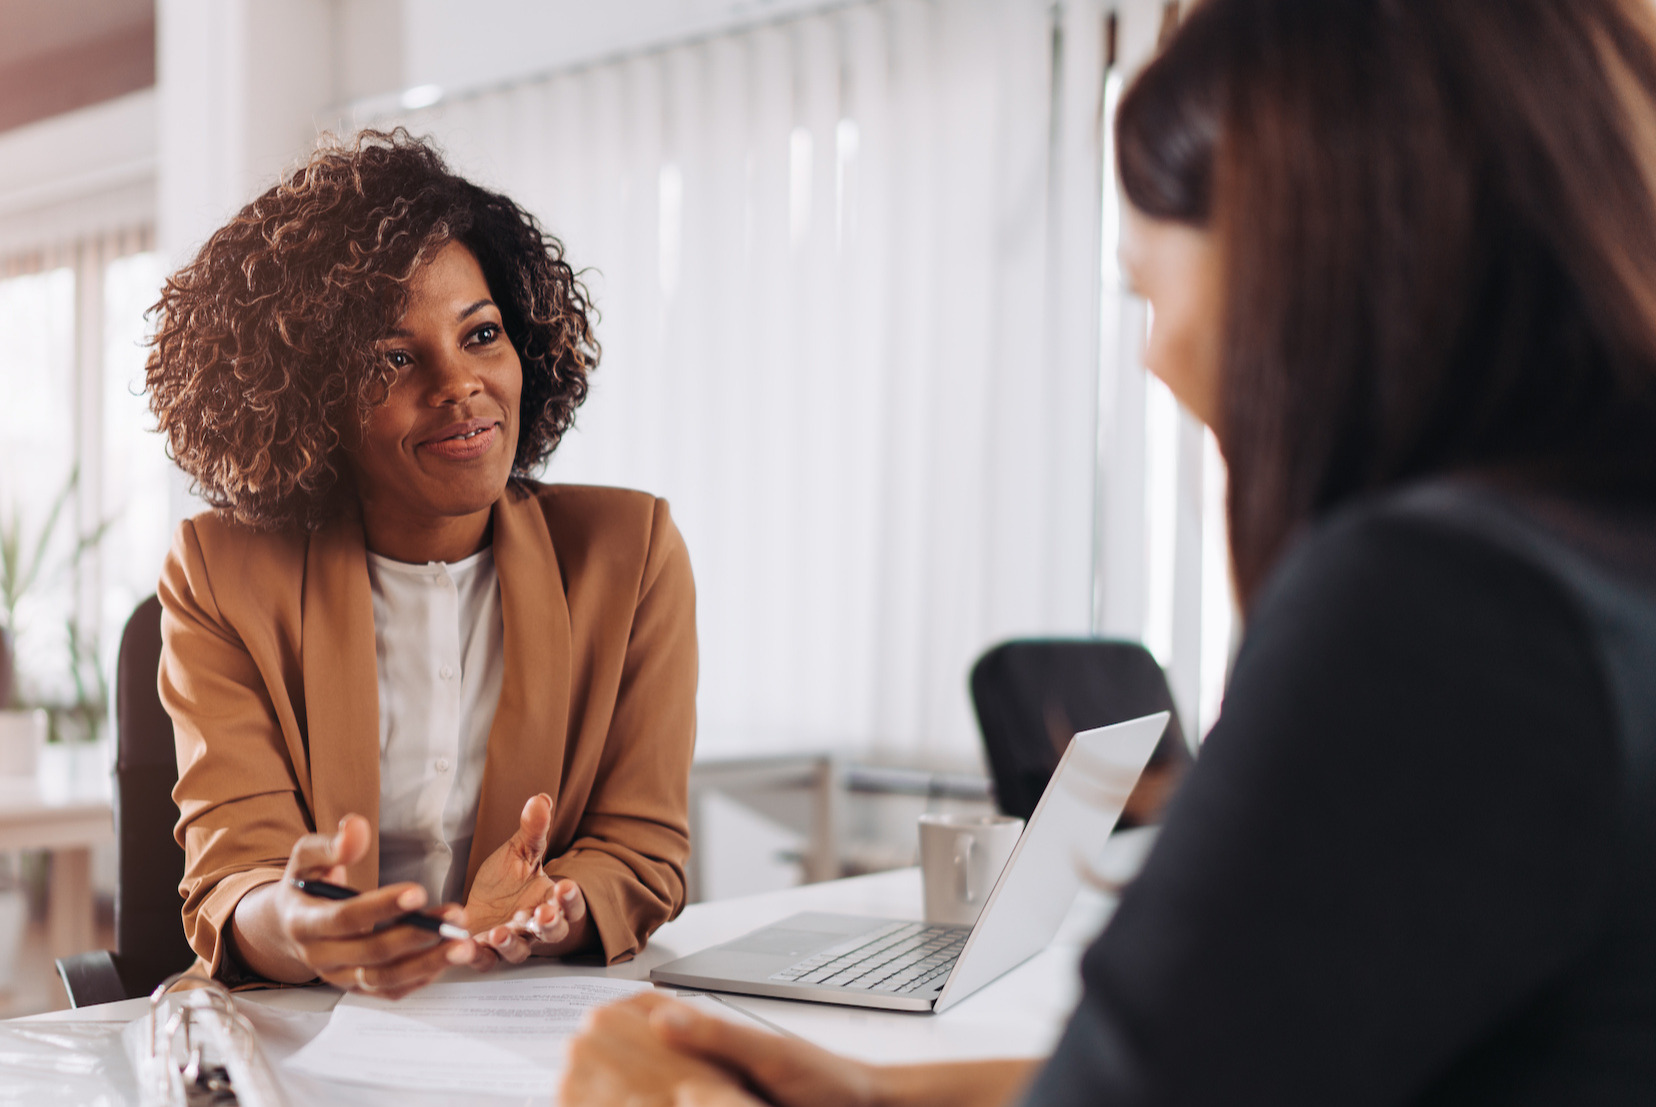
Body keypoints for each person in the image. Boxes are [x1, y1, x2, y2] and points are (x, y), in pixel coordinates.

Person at [562, 0, 1656, 1102]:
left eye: (1145, 289)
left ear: (1316, 258)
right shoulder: (1593, 569)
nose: (1158, 359)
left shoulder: (1435, 613)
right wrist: (872, 1096)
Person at [147, 131, 697, 997]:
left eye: (480, 334)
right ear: (310, 398)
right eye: (395, 359)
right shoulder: (221, 572)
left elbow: (643, 846)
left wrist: (557, 907)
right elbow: (235, 874)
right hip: (307, 1033)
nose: (459, 383)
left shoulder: (628, 556)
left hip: (532, 1027)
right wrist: (304, 926)